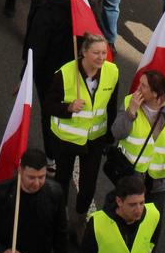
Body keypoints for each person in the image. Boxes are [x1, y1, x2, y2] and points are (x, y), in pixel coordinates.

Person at [45, 32, 119, 233]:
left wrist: (109, 138)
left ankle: (78, 223)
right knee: (62, 179)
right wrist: (68, 108)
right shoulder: (64, 73)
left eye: (104, 52)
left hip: (94, 140)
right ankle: (58, 218)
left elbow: (111, 106)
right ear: (83, 52)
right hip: (66, 139)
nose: (101, 57)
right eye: (96, 53)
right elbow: (48, 106)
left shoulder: (112, 72)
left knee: (88, 186)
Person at [111, 71, 165, 225]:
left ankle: (151, 249)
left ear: (155, 93)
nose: (138, 88)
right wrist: (131, 111)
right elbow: (117, 132)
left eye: (143, 86)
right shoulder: (129, 102)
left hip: (159, 180)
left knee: (152, 221)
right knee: (126, 219)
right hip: (132, 176)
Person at [0, 148, 68, 253]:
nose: (36, 183)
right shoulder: (0, 192)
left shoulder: (55, 193)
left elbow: (60, 235)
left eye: (41, 177)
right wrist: (2, 251)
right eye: (31, 177)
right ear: (20, 170)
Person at [22, 0, 76, 162]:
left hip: (48, 75)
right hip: (71, 74)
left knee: (49, 114)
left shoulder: (46, 12)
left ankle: (52, 156)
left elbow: (36, 48)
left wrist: (25, 77)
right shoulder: (77, 7)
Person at [79, 175, 159, 253]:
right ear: (119, 201)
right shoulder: (97, 224)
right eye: (132, 205)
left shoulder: (153, 215)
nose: (138, 210)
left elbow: (152, 247)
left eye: (141, 203)